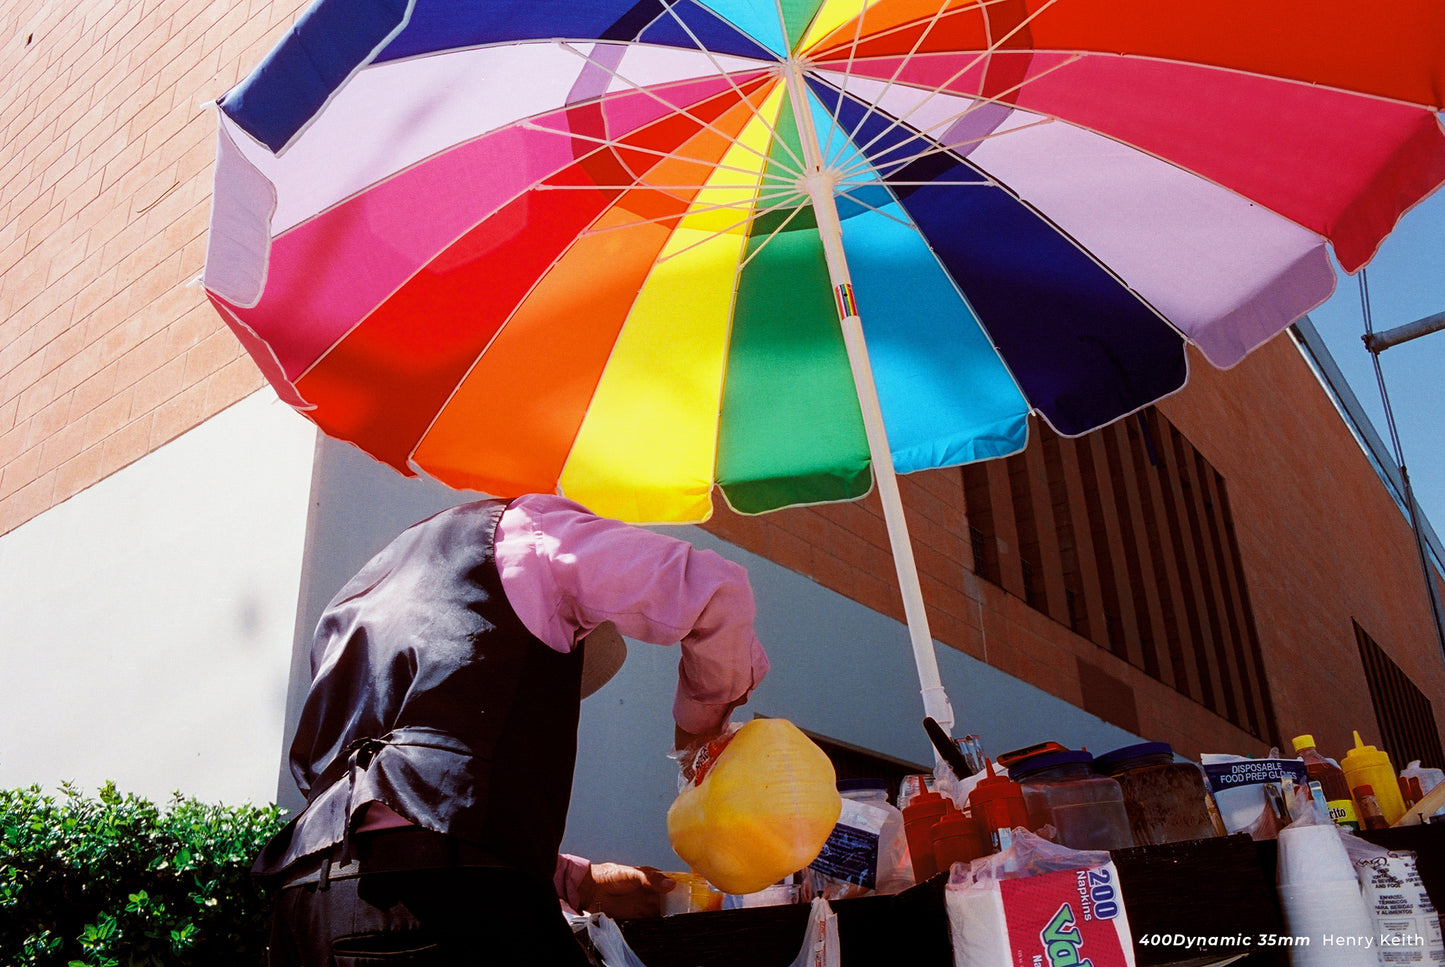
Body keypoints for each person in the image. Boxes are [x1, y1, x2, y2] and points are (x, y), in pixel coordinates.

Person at [256, 494, 770, 966]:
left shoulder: (360, 593)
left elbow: (389, 815)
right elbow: (716, 591)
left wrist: (576, 880)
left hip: (304, 900)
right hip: (445, 898)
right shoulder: (534, 530)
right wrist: (700, 740)